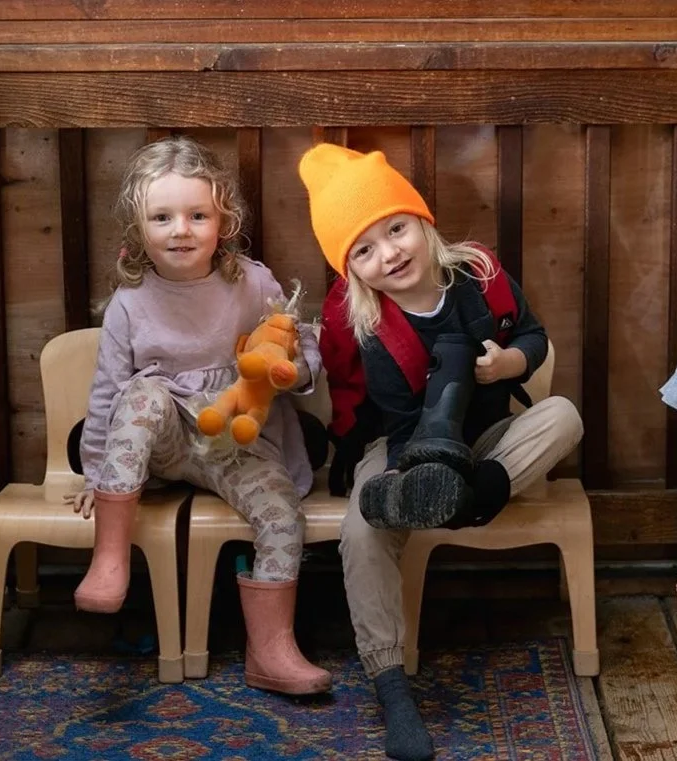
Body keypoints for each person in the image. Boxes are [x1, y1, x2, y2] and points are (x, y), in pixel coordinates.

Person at [299, 144, 584, 761]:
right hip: (403, 448)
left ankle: (467, 496)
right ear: (350, 270)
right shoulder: (366, 322)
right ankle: (391, 683)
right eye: (364, 250)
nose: (390, 254)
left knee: (563, 416)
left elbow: (533, 335)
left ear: (422, 222)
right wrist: (432, 414)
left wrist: (510, 362)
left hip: (489, 444)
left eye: (396, 229)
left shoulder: (479, 275)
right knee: (362, 529)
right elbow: (389, 421)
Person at [67, 135, 330, 695]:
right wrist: (97, 474)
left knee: (283, 515)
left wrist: (290, 368)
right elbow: (108, 393)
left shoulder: (253, 282)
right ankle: (110, 558)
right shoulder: (130, 302)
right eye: (162, 217)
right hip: (160, 447)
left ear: (223, 220)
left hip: (233, 443)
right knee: (141, 396)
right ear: (139, 230)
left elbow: (297, 348)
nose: (180, 229)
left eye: (197, 215)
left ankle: (272, 649)